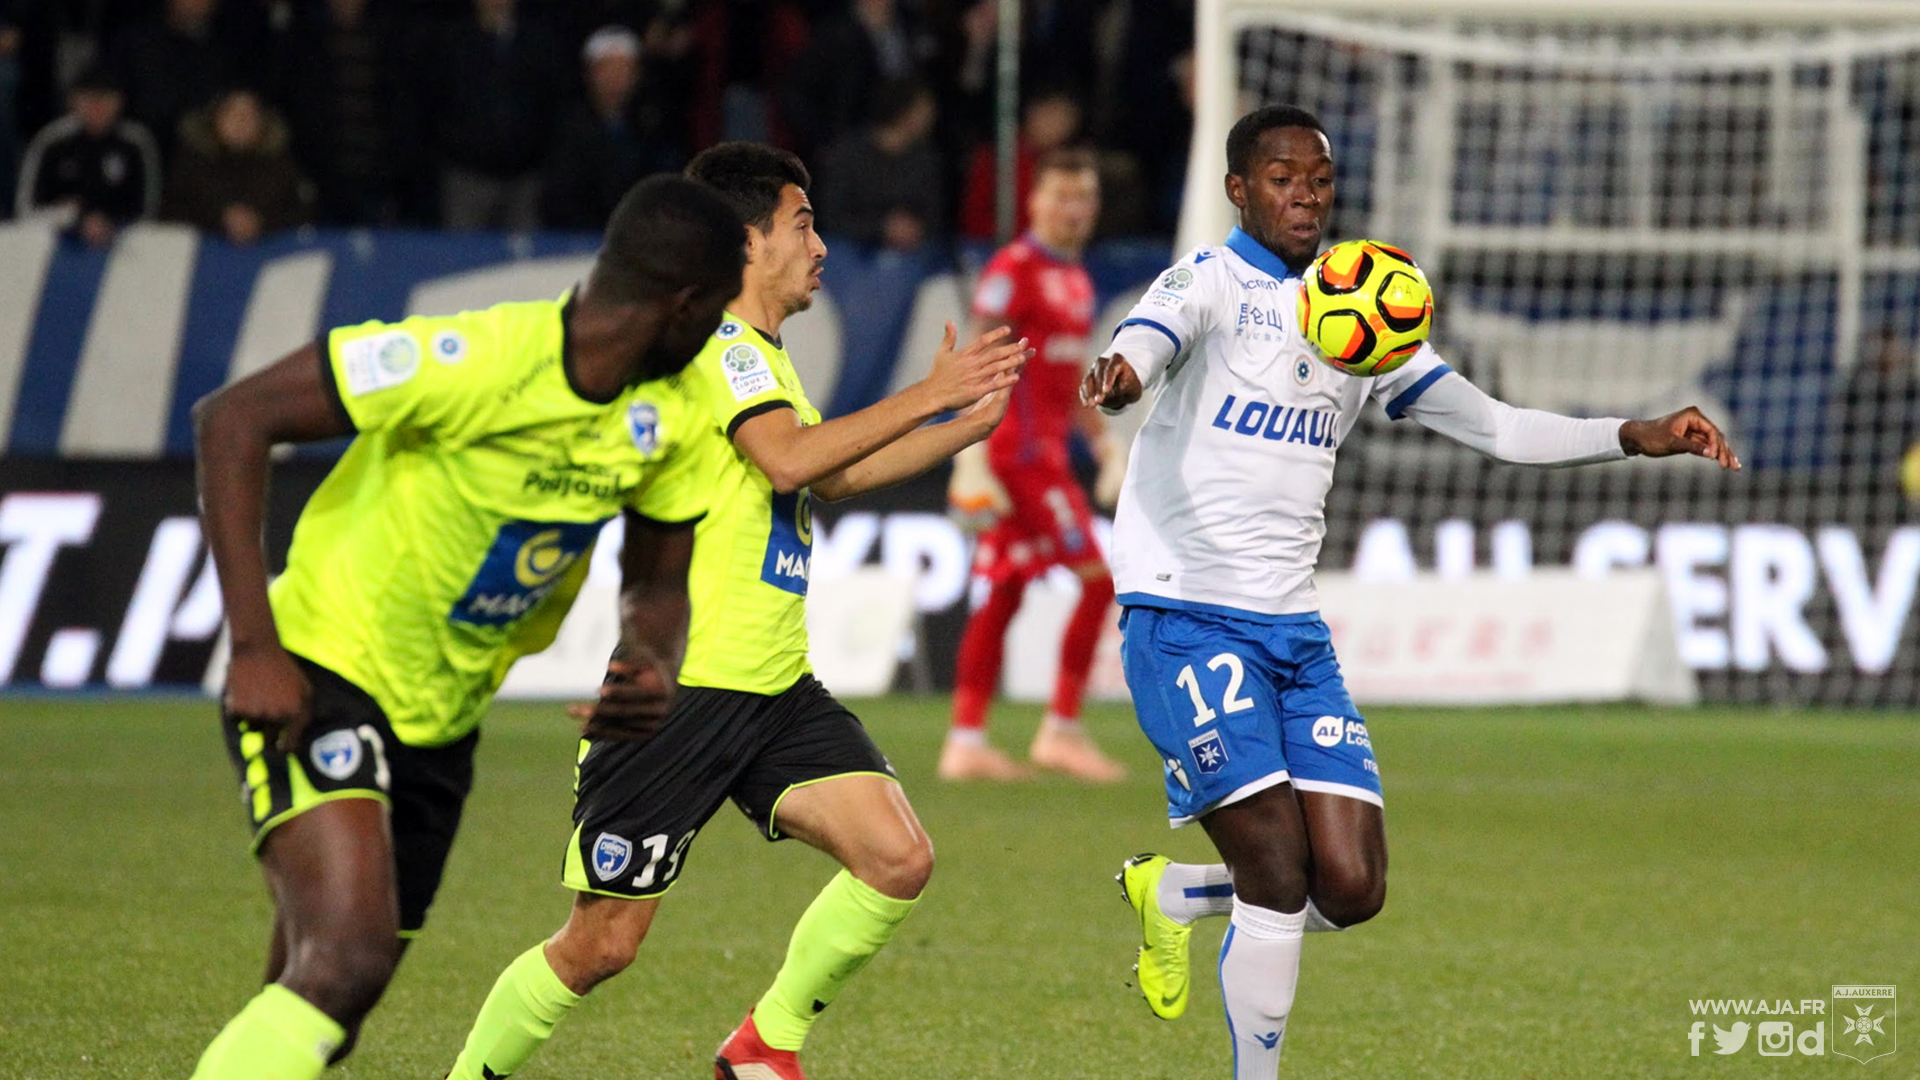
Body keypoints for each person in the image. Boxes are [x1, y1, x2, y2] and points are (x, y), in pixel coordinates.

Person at [1081, 105, 1740, 1080]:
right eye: (1280, 177)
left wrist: (1633, 434)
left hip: (1292, 632)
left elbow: (1501, 429)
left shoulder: (1363, 306)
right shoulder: (1208, 283)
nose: (1304, 195)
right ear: (1237, 190)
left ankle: (1178, 895)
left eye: (1318, 179)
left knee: (1351, 888)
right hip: (1184, 614)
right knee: (1274, 871)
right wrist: (1121, 376)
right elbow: (1148, 338)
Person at [443, 142, 1029, 1080]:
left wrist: (959, 427)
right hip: (683, 694)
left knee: (896, 856)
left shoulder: (763, 359)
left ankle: (764, 1046)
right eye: (802, 224)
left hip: (772, 689)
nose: (821, 245)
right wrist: (927, 394)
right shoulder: (717, 348)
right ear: (744, 242)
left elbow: (825, 476)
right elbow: (793, 459)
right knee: (599, 947)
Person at [185, 174, 748, 1080]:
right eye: (720, 312)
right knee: (348, 959)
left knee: (330, 989)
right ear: (683, 306)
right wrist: (255, 649)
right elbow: (235, 419)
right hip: (321, 667)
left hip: (441, 726)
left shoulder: (670, 419)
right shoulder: (474, 358)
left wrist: (650, 658)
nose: (721, 334)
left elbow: (657, 578)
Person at [942, 146, 1129, 782]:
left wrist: (1103, 444)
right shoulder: (1013, 268)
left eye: (1085, 198)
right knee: (1099, 579)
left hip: (1043, 454)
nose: (1075, 210)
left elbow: (1068, 374)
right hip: (1016, 459)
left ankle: (965, 742)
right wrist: (969, 457)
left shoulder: (1076, 278)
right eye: (1063, 197)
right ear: (1036, 202)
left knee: (1007, 588)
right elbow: (978, 356)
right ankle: (1061, 731)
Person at [542, 26, 683, 231]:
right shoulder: (568, 126)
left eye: (623, 69)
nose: (614, 79)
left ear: (637, 75)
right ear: (589, 75)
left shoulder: (654, 126)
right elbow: (560, 197)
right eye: (606, 70)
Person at [13, 65, 158, 245]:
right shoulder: (52, 141)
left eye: (105, 98)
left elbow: (147, 210)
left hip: (121, 245)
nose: (97, 107)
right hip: (55, 244)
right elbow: (25, 209)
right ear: (72, 100)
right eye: (88, 99)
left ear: (120, 101)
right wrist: (74, 218)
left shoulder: (135, 142)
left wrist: (109, 222)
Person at [163, 87, 310, 244]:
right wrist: (220, 219)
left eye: (250, 114)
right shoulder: (191, 165)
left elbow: (302, 212)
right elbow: (171, 212)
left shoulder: (280, 166)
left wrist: (261, 223)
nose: (241, 121)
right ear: (214, 117)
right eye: (232, 112)